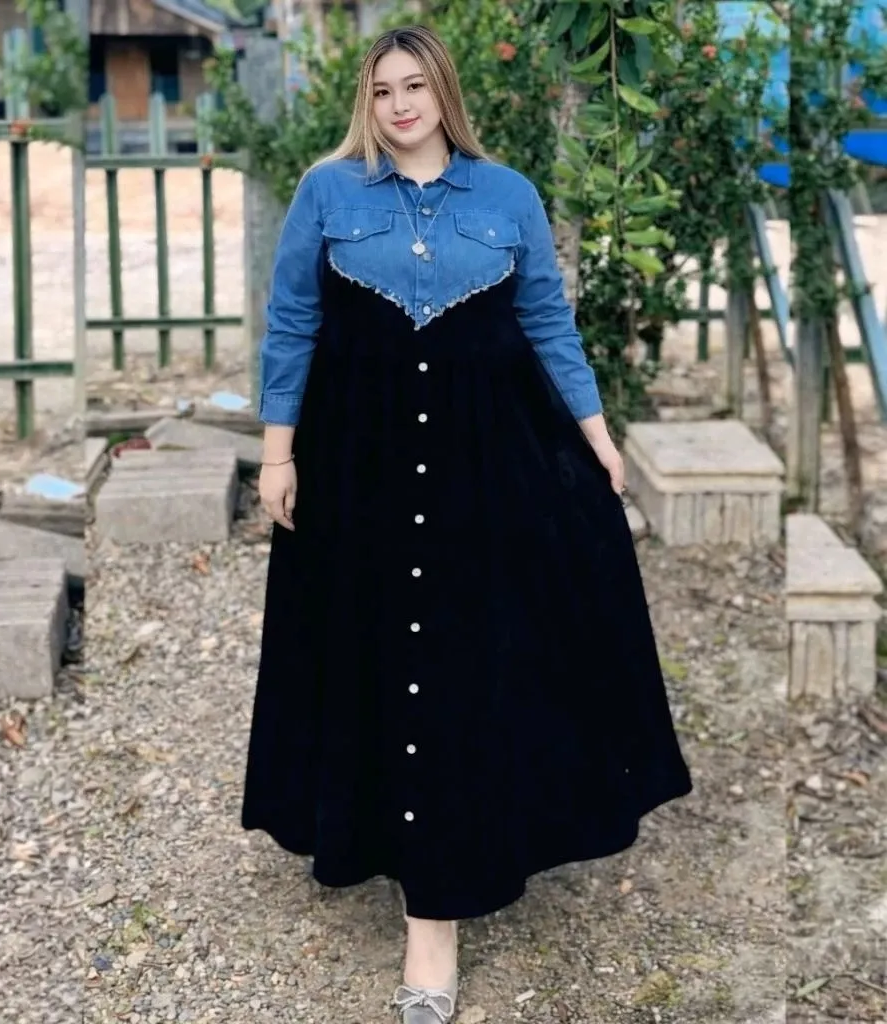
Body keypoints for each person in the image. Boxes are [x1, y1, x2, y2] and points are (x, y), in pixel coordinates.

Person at [240, 24, 693, 1024]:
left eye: (415, 86)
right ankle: (397, 865)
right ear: (366, 102)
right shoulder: (327, 193)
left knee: (467, 660)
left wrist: (598, 439)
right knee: (375, 657)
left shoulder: (509, 197)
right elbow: (293, 324)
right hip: (358, 464)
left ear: (444, 92)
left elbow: (548, 323)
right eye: (382, 89)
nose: (400, 104)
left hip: (486, 465)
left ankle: (438, 909)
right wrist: (278, 455)